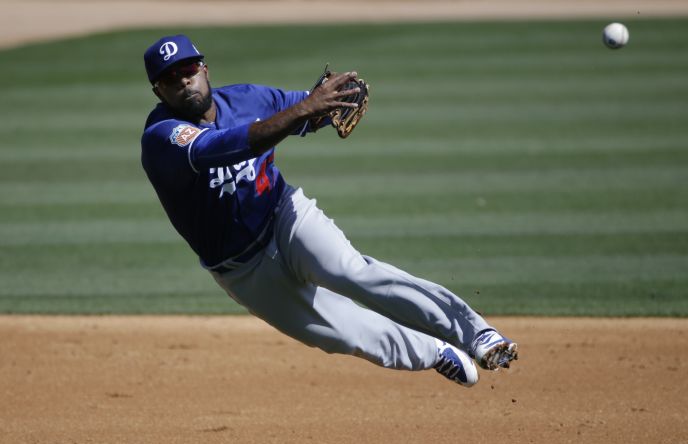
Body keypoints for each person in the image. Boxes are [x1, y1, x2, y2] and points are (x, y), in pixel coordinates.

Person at [140, 34, 517, 387]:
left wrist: (326, 104)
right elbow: (228, 145)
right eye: (170, 78)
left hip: (285, 215)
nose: (184, 81)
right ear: (158, 90)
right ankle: (435, 351)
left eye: (189, 70)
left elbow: (309, 111)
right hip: (241, 268)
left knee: (351, 271)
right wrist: (306, 107)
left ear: (205, 69)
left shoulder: (249, 99)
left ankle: (476, 333)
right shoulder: (162, 135)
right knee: (342, 332)